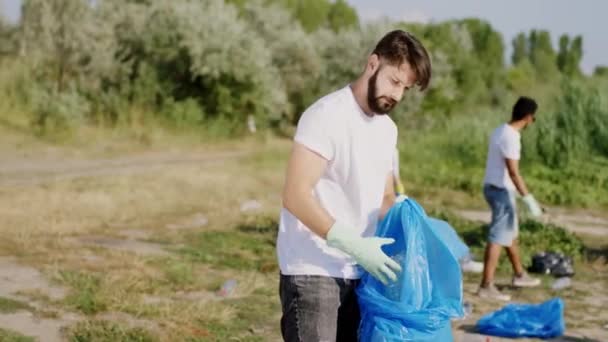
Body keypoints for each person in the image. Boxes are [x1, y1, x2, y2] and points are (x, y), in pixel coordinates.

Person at [277, 30, 431, 341]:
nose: (398, 95)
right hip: (313, 269)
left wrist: (408, 221)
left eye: (406, 88)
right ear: (372, 63)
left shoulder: (388, 130)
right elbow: (295, 195)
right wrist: (352, 242)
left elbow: (384, 195)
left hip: (361, 274)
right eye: (395, 81)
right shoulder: (326, 115)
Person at [477, 96, 543, 301]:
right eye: (534, 118)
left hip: (494, 187)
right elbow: (513, 171)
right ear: (529, 117)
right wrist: (528, 198)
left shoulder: (500, 130)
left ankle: (519, 274)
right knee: (497, 237)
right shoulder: (511, 136)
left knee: (509, 234)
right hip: (500, 190)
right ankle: (486, 285)